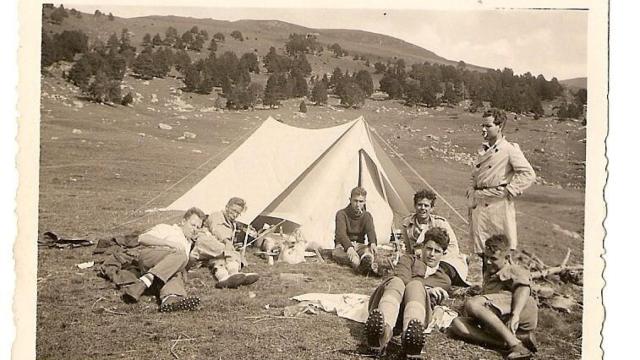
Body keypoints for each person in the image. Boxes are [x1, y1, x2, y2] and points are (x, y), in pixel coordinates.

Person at [365, 228, 454, 359]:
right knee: (397, 281)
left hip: (416, 315)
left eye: (437, 251)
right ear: (422, 247)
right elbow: (402, 278)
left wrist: (423, 289)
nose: (432, 254)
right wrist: (428, 289)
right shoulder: (407, 259)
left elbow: (431, 302)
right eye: (429, 248)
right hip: (392, 303)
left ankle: (411, 339)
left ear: (443, 254)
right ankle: (382, 332)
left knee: (416, 286)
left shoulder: (443, 279)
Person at [448, 235, 538, 359]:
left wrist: (515, 314)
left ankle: (516, 345)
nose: (488, 262)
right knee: (457, 324)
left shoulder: (513, 269)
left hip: (522, 310)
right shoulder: (490, 273)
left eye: (494, 258)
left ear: (506, 258)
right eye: (486, 257)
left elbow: (523, 288)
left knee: (473, 304)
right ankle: (508, 342)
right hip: (503, 319)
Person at [467, 108, 535, 262]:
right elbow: (474, 176)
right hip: (479, 204)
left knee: (500, 251)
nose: (483, 129)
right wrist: (471, 190)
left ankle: (505, 283)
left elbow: (528, 174)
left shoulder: (509, 149)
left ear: (500, 126)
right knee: (483, 252)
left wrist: (510, 190)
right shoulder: (483, 149)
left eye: (488, 126)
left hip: (497, 206)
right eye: (482, 126)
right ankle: (487, 284)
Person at [122, 207, 205, 312]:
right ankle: (147, 280)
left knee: (177, 272)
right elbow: (142, 238)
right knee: (181, 255)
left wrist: (191, 260)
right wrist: (168, 243)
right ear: (183, 221)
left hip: (163, 271)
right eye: (193, 225)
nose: (195, 229)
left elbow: (177, 264)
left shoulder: (189, 243)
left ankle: (169, 299)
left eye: (198, 227)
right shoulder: (168, 229)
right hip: (150, 257)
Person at [401, 189, 470, 286]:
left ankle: (425, 283)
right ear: (415, 206)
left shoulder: (440, 223)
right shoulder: (407, 224)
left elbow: (453, 248)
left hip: (442, 260)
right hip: (420, 260)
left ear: (432, 208)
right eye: (419, 205)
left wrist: (436, 259)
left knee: (443, 271)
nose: (422, 208)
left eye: (426, 205)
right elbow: (409, 250)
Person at [200, 197, 259, 289]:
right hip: (206, 246)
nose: (235, 214)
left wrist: (232, 244)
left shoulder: (232, 223)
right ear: (227, 207)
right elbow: (217, 230)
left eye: (238, 213)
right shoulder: (216, 215)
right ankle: (230, 274)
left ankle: (230, 277)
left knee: (222, 255)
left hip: (217, 252)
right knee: (222, 250)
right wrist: (227, 242)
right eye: (233, 210)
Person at [332, 186, 378, 274]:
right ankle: (361, 267)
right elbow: (341, 234)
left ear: (364, 202)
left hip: (359, 245)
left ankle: (366, 262)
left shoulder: (367, 216)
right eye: (355, 201)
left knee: (367, 252)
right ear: (350, 200)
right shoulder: (341, 214)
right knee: (348, 257)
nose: (358, 204)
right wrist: (349, 247)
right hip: (342, 246)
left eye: (361, 201)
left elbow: (371, 231)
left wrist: (373, 243)